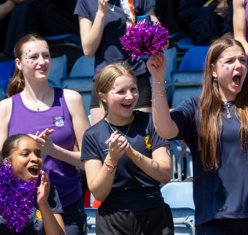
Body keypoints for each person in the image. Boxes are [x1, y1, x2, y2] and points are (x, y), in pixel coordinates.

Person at [148, 37, 248, 234]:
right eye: (229, 61)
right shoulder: (195, 108)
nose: (239, 66)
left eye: (242, 60)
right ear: (213, 70)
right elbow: (164, 129)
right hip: (214, 220)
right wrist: (158, 79)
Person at [0, 33, 90, 235]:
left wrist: (53, 150)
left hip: (68, 203)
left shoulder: (71, 99)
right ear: (19, 63)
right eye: (33, 57)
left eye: (46, 55)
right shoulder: (5, 107)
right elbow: (2, 165)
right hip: (21, 209)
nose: (42, 62)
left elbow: (89, 161)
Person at [81, 62, 174, 234]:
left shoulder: (152, 123)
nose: (130, 97)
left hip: (154, 216)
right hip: (113, 220)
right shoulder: (92, 135)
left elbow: (165, 173)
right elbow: (99, 193)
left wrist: (132, 153)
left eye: (133, 89)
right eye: (121, 92)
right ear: (103, 96)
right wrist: (112, 158)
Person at [74, 0, 159, 124]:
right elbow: (88, 50)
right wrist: (101, 13)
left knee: (143, 139)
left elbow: (162, 40)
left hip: (136, 77)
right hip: (104, 80)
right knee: (103, 139)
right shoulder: (86, 2)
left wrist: (143, 29)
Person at [0, 134, 65, 235]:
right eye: (25, 154)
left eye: (38, 154)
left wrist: (43, 203)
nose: (35, 159)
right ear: (7, 162)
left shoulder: (46, 189)